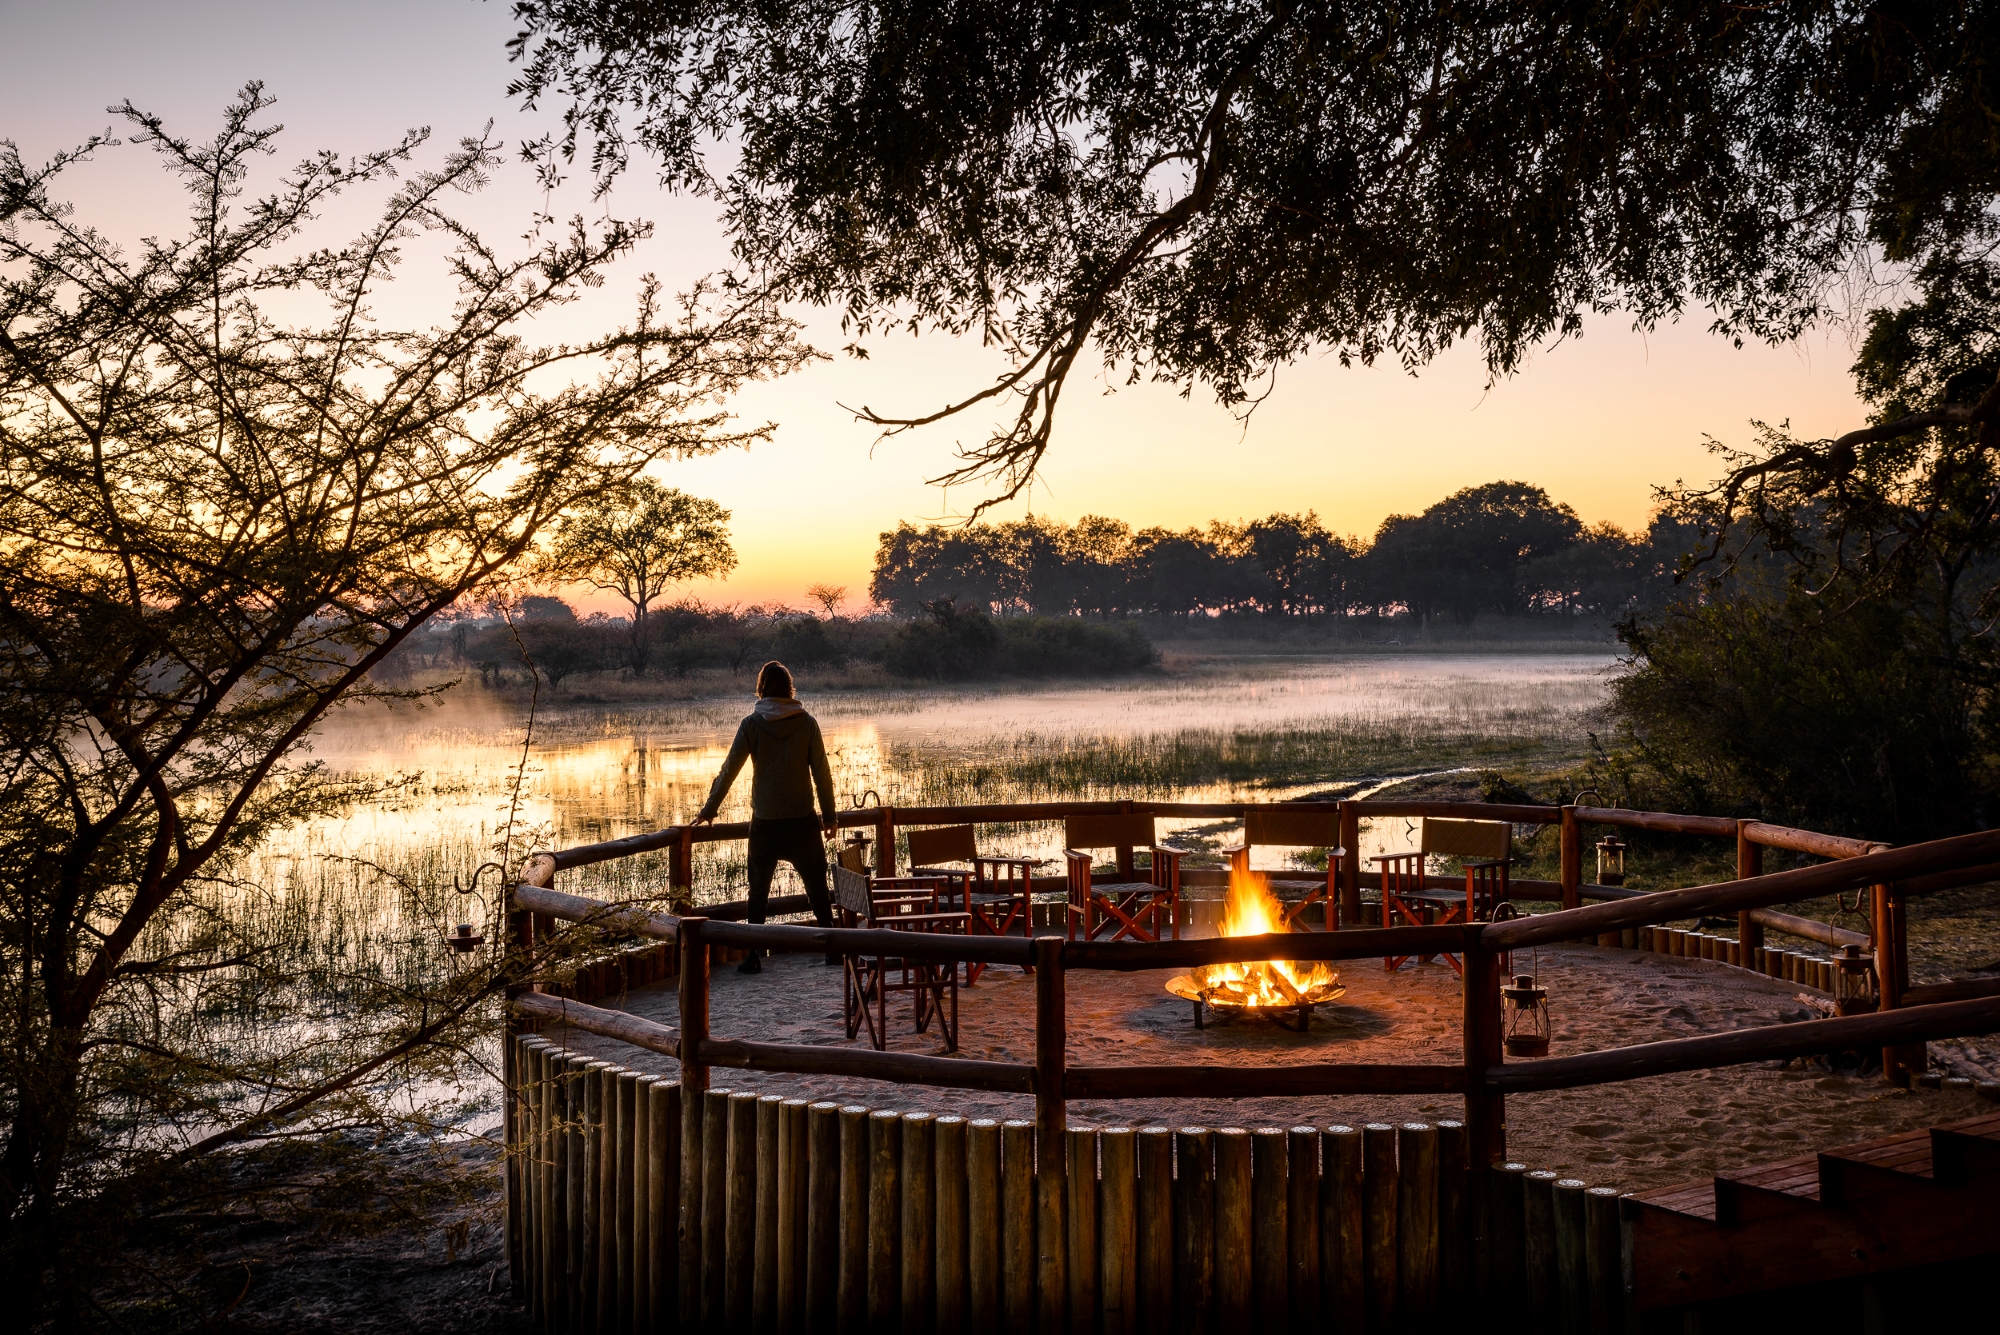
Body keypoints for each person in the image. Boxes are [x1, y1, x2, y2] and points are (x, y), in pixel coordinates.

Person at [691, 660, 838, 972]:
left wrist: (709, 809)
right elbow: (822, 775)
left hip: (766, 822)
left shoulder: (752, 724)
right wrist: (829, 817)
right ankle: (833, 950)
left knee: (757, 891)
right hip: (802, 820)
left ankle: (754, 955)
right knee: (817, 887)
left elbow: (729, 769)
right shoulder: (807, 722)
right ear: (789, 688)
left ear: (761, 688)